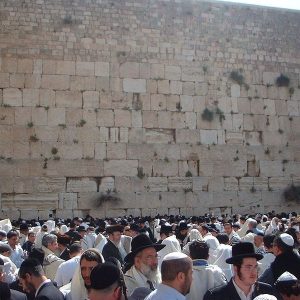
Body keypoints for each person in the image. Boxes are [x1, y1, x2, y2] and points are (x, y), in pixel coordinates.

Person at [204, 242, 275, 300]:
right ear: (235, 268)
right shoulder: (216, 296)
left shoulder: (266, 291)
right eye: (248, 267)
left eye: (255, 267)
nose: (254, 272)